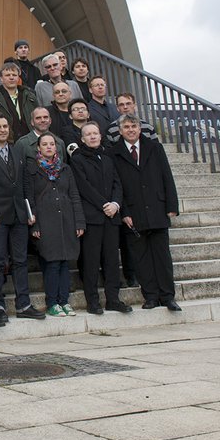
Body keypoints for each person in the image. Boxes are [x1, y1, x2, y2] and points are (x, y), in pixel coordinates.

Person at [0, 113, 44, 323]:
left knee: (21, 260)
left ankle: (24, 304)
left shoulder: (17, 151)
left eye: (5, 126)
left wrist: (29, 212)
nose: (3, 130)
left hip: (19, 215)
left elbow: (24, 186)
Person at [112, 113, 181, 311]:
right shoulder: (114, 153)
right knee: (141, 258)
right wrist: (124, 212)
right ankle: (150, 296)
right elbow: (116, 185)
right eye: (126, 127)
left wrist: (171, 206)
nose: (131, 130)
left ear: (140, 128)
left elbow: (166, 176)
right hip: (133, 213)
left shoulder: (154, 147)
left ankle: (168, 296)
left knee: (162, 257)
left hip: (157, 208)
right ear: (120, 130)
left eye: (134, 126)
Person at [69, 121, 131, 315]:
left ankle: (113, 299)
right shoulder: (77, 159)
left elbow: (117, 184)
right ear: (82, 139)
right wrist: (104, 204)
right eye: (88, 134)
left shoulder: (107, 157)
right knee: (91, 261)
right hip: (93, 217)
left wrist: (115, 204)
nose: (93, 136)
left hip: (112, 217)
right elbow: (84, 187)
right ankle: (93, 301)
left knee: (112, 260)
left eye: (95, 133)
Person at [24, 132, 85, 317]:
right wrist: (34, 225)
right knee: (51, 262)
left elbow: (74, 195)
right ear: (39, 148)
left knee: (65, 262)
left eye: (52, 144)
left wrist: (79, 221)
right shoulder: (32, 169)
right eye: (45, 144)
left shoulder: (65, 168)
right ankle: (52, 302)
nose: (49, 147)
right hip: (44, 221)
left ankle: (64, 301)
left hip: (65, 220)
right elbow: (29, 198)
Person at [0, 62, 37, 142]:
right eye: (7, 75)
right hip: (6, 141)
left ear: (18, 78)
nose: (11, 78)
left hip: (30, 140)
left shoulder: (30, 95)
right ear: (1, 78)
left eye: (14, 75)